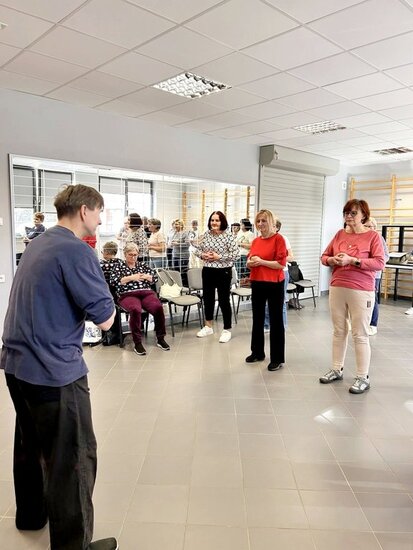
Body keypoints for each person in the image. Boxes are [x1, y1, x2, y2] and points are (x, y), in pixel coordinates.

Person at [1, 184, 117, 550]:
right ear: (84, 211)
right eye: (99, 212)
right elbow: (106, 319)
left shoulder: (38, 243)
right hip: (53, 372)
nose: (100, 220)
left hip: (16, 366)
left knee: (31, 443)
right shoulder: (76, 250)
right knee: (73, 457)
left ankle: (31, 515)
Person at [320, 199, 385, 394]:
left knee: (360, 334)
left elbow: (379, 263)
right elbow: (324, 257)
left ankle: (362, 377)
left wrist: (353, 260)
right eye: (346, 213)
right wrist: (332, 259)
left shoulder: (373, 236)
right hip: (337, 287)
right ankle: (336, 369)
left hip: (361, 289)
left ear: (364, 215)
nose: (348, 216)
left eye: (353, 213)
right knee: (339, 331)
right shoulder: (339, 234)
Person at [110, 242, 170, 356]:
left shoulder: (142, 265)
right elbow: (114, 281)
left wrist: (148, 277)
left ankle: (160, 338)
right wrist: (131, 278)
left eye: (135, 255)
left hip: (146, 292)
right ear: (125, 254)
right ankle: (137, 342)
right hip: (127, 294)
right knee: (135, 309)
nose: (133, 257)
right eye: (130, 255)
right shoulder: (118, 266)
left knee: (158, 307)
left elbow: (154, 278)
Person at [246, 209, 287, 372]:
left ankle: (277, 358)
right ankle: (257, 352)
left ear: (270, 222)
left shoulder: (278, 239)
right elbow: (249, 260)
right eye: (258, 221)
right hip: (257, 281)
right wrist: (250, 263)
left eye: (263, 221)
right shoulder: (256, 241)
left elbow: (281, 264)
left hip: (274, 283)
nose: (260, 224)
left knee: (276, 320)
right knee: (257, 318)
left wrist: (261, 262)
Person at [194, 211, 239, 343]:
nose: (214, 223)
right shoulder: (206, 234)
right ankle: (208, 326)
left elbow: (236, 255)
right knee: (208, 299)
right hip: (208, 270)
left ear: (222, 222)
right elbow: (196, 249)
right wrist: (202, 255)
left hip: (224, 271)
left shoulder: (229, 236)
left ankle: (227, 329)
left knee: (224, 300)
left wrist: (219, 257)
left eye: (217, 220)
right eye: (212, 220)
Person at [264, 218, 294, 331]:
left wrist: (279, 259)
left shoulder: (283, 239)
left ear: (277, 228)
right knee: (267, 301)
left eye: (272, 225)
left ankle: (282, 325)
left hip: (282, 272)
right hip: (268, 273)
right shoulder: (264, 239)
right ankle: (267, 325)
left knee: (280, 301)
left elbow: (291, 257)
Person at [364, 217, 390, 335]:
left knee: (372, 298)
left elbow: (386, 256)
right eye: (368, 226)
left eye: (373, 226)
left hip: (375, 274)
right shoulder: (361, 238)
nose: (371, 228)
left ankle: (373, 324)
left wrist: (374, 263)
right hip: (362, 273)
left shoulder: (379, 238)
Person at [169, 218, 190, 286]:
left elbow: (187, 244)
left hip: (183, 256)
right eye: (175, 224)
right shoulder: (175, 233)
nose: (175, 226)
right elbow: (172, 242)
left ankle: (185, 286)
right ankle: (177, 285)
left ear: (181, 225)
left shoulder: (185, 233)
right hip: (175, 255)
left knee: (183, 272)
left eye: (177, 224)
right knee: (176, 272)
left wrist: (178, 244)